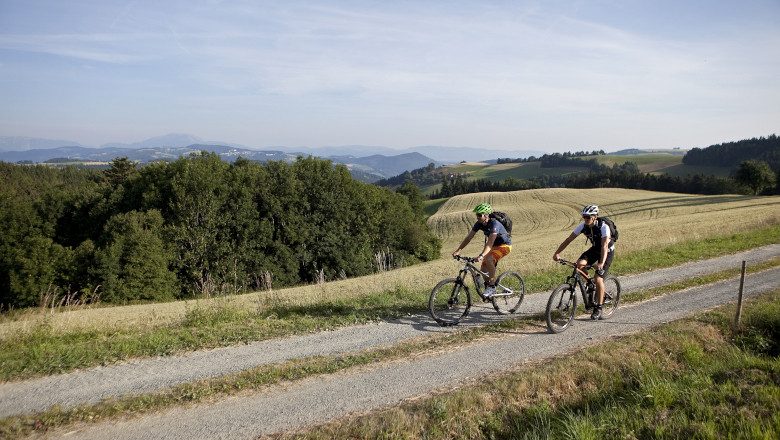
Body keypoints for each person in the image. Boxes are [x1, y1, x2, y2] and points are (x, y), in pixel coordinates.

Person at [552, 204, 615, 320]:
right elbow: (569, 240)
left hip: (607, 251)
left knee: (598, 278)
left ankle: (599, 308)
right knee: (579, 265)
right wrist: (557, 253)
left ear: (595, 217)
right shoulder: (583, 226)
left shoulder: (603, 226)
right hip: (595, 249)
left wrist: (601, 263)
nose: (585, 219)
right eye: (584, 217)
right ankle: (590, 284)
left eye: (588, 217)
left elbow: (605, 246)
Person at [452, 203, 512, 298]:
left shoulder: (494, 224)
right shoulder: (479, 224)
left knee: (489, 259)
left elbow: (490, 242)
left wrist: (481, 255)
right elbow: (469, 238)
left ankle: (492, 286)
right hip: (493, 246)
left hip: (504, 246)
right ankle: (489, 288)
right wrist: (458, 250)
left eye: (479, 215)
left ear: (486, 215)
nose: (477, 217)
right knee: (483, 270)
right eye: (477, 215)